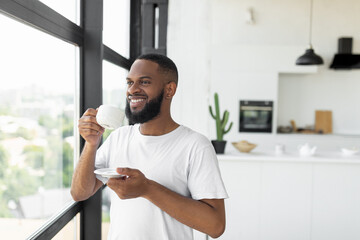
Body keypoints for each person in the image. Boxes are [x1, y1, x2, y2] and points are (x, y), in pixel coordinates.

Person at [71, 53, 228, 239]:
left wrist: (147, 188)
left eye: (144, 82)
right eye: (129, 83)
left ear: (169, 90)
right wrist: (91, 143)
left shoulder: (195, 145)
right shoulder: (119, 137)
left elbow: (216, 226)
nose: (132, 90)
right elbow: (79, 192)